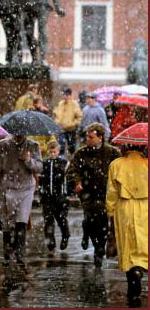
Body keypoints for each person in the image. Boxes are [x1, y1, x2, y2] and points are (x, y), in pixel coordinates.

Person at [68, 123, 121, 267]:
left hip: (106, 194)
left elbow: (120, 170)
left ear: (100, 137)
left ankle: (99, 250)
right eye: (87, 136)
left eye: (91, 137)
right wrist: (77, 182)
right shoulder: (81, 153)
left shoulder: (112, 153)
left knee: (103, 222)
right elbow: (72, 170)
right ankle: (90, 237)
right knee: (90, 221)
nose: (88, 139)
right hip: (88, 194)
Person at [0, 134, 43, 267]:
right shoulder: (4, 145)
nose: (18, 136)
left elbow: (39, 167)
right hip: (7, 188)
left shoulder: (33, 145)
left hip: (26, 188)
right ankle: (7, 253)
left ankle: (20, 254)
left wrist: (28, 160)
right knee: (7, 223)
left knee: (21, 221)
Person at [106, 144, 148, 302]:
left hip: (124, 207)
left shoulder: (116, 164)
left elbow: (112, 191)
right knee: (142, 241)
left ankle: (132, 274)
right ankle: (140, 267)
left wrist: (110, 209)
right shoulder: (147, 164)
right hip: (145, 206)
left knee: (127, 243)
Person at [39, 140, 70, 254]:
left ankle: (65, 235)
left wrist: (65, 194)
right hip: (47, 197)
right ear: (48, 151)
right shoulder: (45, 163)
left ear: (58, 151)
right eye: (51, 152)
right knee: (48, 221)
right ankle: (50, 246)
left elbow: (67, 179)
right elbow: (42, 180)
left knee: (61, 219)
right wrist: (42, 193)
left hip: (60, 197)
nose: (52, 154)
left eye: (54, 152)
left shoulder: (63, 162)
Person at [53, 88, 82, 155]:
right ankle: (61, 159)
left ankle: (72, 159)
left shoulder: (74, 104)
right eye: (64, 95)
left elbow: (79, 117)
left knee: (71, 147)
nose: (65, 97)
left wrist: (72, 124)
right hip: (61, 129)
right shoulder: (60, 104)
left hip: (70, 129)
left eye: (66, 95)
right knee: (61, 146)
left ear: (70, 96)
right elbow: (56, 114)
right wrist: (57, 122)